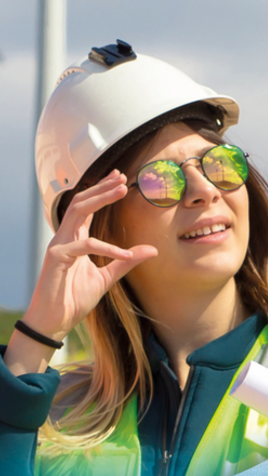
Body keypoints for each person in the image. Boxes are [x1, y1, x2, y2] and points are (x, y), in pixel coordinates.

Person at [1, 39, 268, 476]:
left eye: (219, 162)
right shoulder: (52, 423)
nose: (206, 190)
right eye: (162, 180)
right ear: (96, 227)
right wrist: (34, 342)